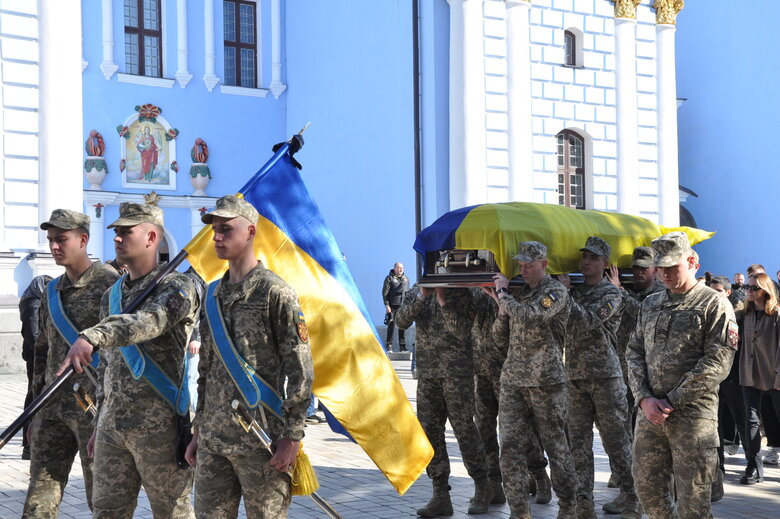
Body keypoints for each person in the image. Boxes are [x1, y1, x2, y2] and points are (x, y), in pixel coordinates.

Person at [57, 198, 199, 518]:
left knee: (172, 512)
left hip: (160, 427)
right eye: (115, 232)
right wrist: (99, 422)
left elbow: (149, 322)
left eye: (125, 232)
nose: (117, 238)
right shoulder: (113, 295)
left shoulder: (178, 287)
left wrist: (92, 335)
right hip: (113, 426)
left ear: (151, 238)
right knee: (106, 510)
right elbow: (109, 366)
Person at [184, 195, 314, 518]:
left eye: (226, 229)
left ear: (251, 232)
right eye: (215, 230)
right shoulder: (212, 295)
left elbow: (301, 370)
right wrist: (199, 430)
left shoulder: (275, 293)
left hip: (263, 442)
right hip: (214, 443)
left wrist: (292, 437)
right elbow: (206, 370)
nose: (217, 237)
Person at [627, 232, 736, 518]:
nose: (664, 273)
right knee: (647, 492)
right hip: (650, 416)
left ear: (692, 262)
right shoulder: (650, 304)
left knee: (693, 504)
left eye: (671, 267)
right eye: (660, 267)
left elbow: (718, 361)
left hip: (693, 418)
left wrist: (672, 400)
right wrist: (644, 399)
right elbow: (634, 351)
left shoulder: (713, 304)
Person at [22, 210, 119, 518]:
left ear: (83, 239)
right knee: (39, 500)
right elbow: (41, 354)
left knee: (101, 500)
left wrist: (110, 413)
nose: (54, 247)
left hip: (93, 410)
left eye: (61, 239)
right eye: (50, 240)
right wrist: (32, 412)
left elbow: (121, 357)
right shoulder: (51, 290)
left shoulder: (112, 286)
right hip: (52, 411)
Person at [492, 241, 578, 519]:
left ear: (544, 265)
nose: (523, 269)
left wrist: (503, 294)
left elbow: (530, 317)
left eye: (528, 265)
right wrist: (502, 311)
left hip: (546, 382)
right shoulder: (520, 295)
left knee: (556, 446)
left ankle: (568, 506)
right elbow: (499, 338)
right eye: (520, 265)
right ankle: (519, 511)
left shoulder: (555, 292)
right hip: (513, 381)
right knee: (510, 448)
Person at [560, 237, 638, 519]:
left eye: (593, 257)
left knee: (617, 443)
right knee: (577, 445)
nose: (586, 261)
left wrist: (563, 296)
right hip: (575, 378)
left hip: (606, 378)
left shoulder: (612, 295)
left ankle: (633, 498)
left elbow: (586, 321)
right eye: (584, 256)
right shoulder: (575, 293)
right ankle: (584, 504)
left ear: (605, 263)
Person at [396, 286, 492, 517]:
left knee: (464, 430)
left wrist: (442, 299)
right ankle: (440, 494)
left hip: (457, 373)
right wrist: (422, 297)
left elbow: (462, 331)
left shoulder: (464, 293)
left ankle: (482, 485)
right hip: (428, 373)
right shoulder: (416, 292)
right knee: (430, 433)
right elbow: (400, 321)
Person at [604, 246, 664, 501]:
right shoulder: (626, 290)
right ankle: (624, 472)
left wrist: (619, 292)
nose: (638, 273)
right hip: (622, 368)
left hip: (648, 375)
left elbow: (642, 313)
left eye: (644, 268)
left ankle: (635, 485)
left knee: (641, 429)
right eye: (635, 268)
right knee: (620, 425)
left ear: (655, 270)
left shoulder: (660, 293)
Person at [737, 272, 780, 485]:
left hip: (774, 373)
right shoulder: (745, 314)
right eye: (748, 287)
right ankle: (753, 465)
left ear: (765, 290)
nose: (750, 292)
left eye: (754, 288)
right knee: (751, 419)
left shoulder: (777, 314)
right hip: (749, 371)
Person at [708, 276, 744, 501]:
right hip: (712, 383)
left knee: (741, 420)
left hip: (733, 379)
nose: (714, 294)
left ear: (728, 293)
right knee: (715, 428)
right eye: (712, 290)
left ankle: (753, 461)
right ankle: (718, 470)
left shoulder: (734, 315)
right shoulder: (707, 313)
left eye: (718, 290)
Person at [18, 274, 52, 460]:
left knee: (37, 396)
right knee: (34, 397)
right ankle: (28, 446)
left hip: (41, 355)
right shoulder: (32, 304)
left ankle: (33, 444)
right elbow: (33, 335)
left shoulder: (37, 301)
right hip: (36, 357)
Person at [382, 262, 410, 352]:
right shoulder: (389, 278)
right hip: (392, 305)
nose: (400, 269)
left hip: (403, 306)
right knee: (391, 326)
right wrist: (387, 305)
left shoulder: (406, 279)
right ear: (394, 269)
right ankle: (389, 345)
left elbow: (408, 293)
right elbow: (385, 293)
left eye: (402, 267)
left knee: (402, 326)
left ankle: (402, 346)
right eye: (398, 267)